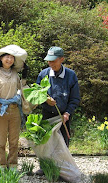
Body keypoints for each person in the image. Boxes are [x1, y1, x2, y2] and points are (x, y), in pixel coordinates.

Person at [35, 46, 80, 175]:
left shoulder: (71, 75)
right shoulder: (43, 74)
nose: (50, 64)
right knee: (45, 142)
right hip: (48, 114)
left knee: (63, 142)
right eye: (49, 61)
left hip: (64, 115)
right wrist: (45, 100)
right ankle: (45, 167)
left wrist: (67, 113)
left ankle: (62, 169)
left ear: (62, 59)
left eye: (53, 60)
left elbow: (75, 98)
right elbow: (36, 94)